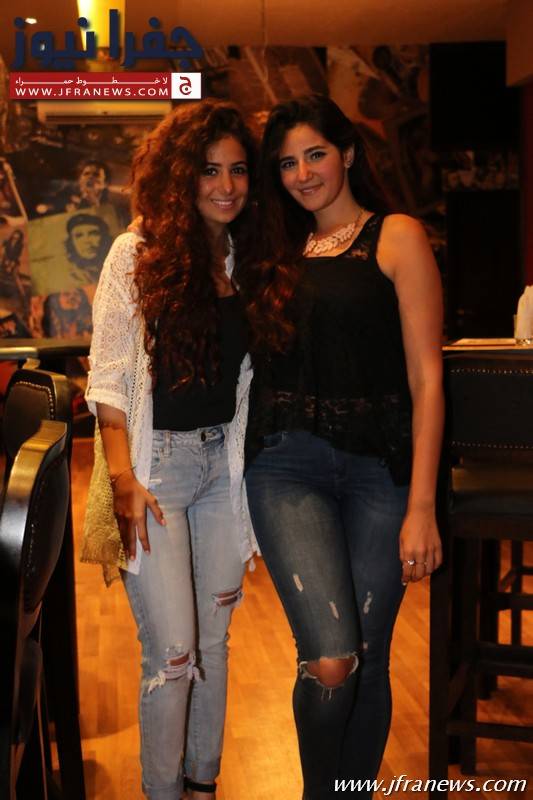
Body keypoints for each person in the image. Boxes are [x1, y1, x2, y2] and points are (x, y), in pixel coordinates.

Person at [240, 94, 444, 799]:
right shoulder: (270, 250)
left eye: (316, 155)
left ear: (349, 154)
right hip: (285, 467)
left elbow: (426, 379)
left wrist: (422, 507)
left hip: (380, 472)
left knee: (370, 657)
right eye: (286, 163)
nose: (302, 174)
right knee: (331, 660)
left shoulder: (396, 236)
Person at [81, 99, 258, 800]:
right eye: (210, 170)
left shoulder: (241, 256)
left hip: (223, 471)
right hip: (156, 472)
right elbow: (107, 375)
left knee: (214, 645)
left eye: (238, 170)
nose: (226, 185)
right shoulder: (136, 252)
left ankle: (201, 784)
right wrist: (122, 478)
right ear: (181, 176)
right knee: (174, 653)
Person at [65, 212, 113, 284]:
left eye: (93, 233)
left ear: (104, 238)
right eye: (79, 236)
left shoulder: (114, 268)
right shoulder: (70, 278)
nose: (87, 241)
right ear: (71, 242)